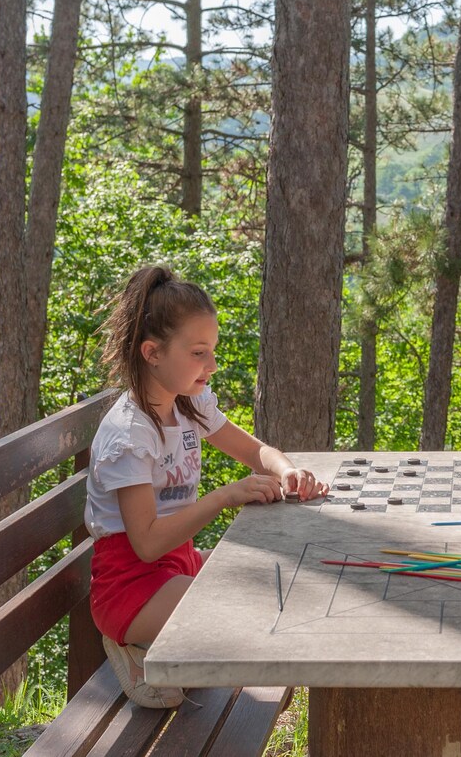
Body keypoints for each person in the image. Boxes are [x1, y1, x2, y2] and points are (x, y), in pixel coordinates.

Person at [85, 266, 328, 708]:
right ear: (152, 352)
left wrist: (286, 470)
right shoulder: (128, 436)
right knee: (244, 617)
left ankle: (163, 650)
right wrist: (225, 496)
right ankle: (135, 646)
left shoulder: (189, 404)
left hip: (178, 564)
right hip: (131, 586)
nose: (211, 365)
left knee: (281, 586)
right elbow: (146, 544)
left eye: (212, 351)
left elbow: (256, 452)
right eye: (199, 352)